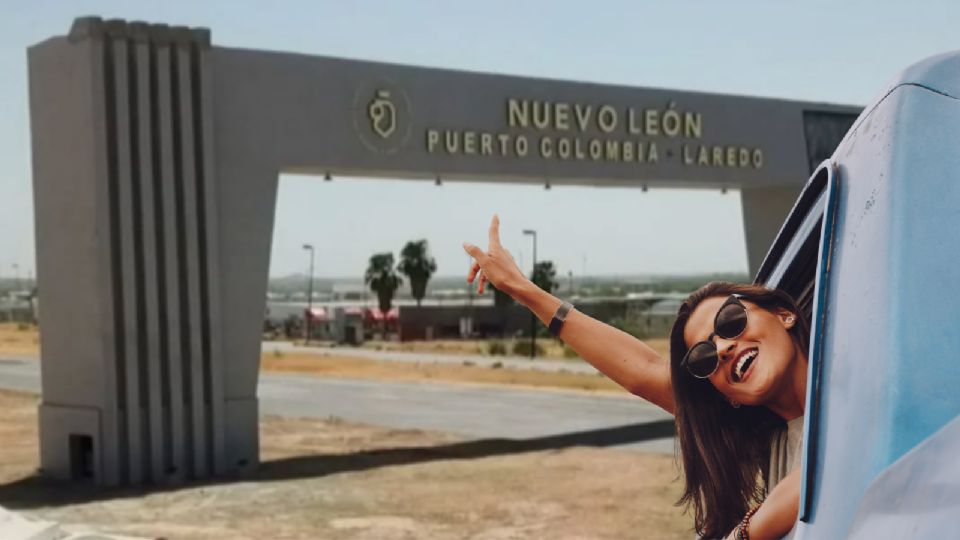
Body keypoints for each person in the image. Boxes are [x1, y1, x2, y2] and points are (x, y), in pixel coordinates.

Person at [463, 215, 807, 540]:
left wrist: (746, 532)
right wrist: (522, 289)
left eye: (731, 321)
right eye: (704, 358)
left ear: (784, 314)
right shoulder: (770, 436)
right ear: (726, 395)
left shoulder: (839, 401)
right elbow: (644, 372)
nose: (723, 349)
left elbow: (821, 470)